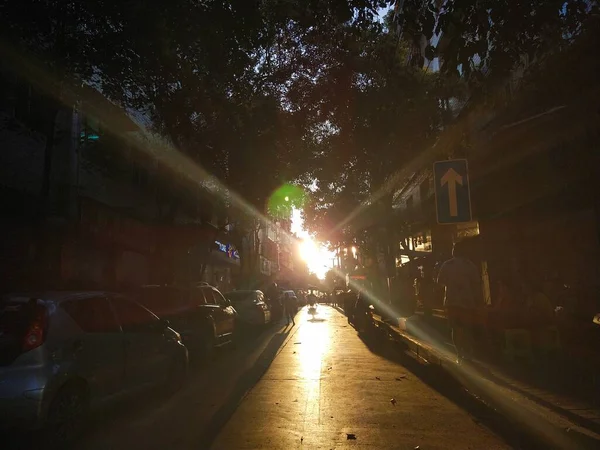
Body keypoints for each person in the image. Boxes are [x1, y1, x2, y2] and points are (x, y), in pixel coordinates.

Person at [437, 241, 482, 362]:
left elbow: (440, 281)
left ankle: (459, 353)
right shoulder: (470, 265)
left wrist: (450, 285)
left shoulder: (447, 264)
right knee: (467, 328)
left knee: (455, 328)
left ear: (454, 251)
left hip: (452, 301)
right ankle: (467, 353)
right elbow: (476, 284)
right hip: (467, 302)